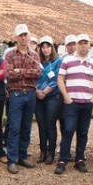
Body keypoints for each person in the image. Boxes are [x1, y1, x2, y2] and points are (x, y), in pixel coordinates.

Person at [55, 34, 93, 174]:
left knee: (83, 132)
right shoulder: (68, 60)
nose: (83, 45)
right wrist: (66, 97)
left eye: (85, 43)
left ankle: (79, 160)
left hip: (87, 102)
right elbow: (60, 79)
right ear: (76, 45)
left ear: (89, 45)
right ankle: (62, 160)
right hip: (72, 103)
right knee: (68, 130)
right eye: (80, 43)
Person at [4, 24, 42, 174]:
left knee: (26, 127)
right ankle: (12, 160)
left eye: (25, 34)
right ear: (16, 37)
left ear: (29, 36)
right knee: (14, 127)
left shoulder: (35, 55)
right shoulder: (10, 55)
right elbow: (8, 74)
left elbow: (38, 73)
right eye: (20, 35)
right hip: (16, 94)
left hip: (31, 93)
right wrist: (27, 72)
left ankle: (22, 156)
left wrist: (20, 71)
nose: (23, 37)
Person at [35, 36, 62, 165]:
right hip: (38, 96)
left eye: (48, 47)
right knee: (41, 125)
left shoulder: (58, 61)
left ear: (52, 47)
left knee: (50, 125)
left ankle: (51, 152)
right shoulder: (36, 60)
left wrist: (45, 91)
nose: (45, 50)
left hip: (52, 96)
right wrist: (37, 91)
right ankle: (43, 151)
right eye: (43, 47)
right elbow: (33, 76)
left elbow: (57, 79)